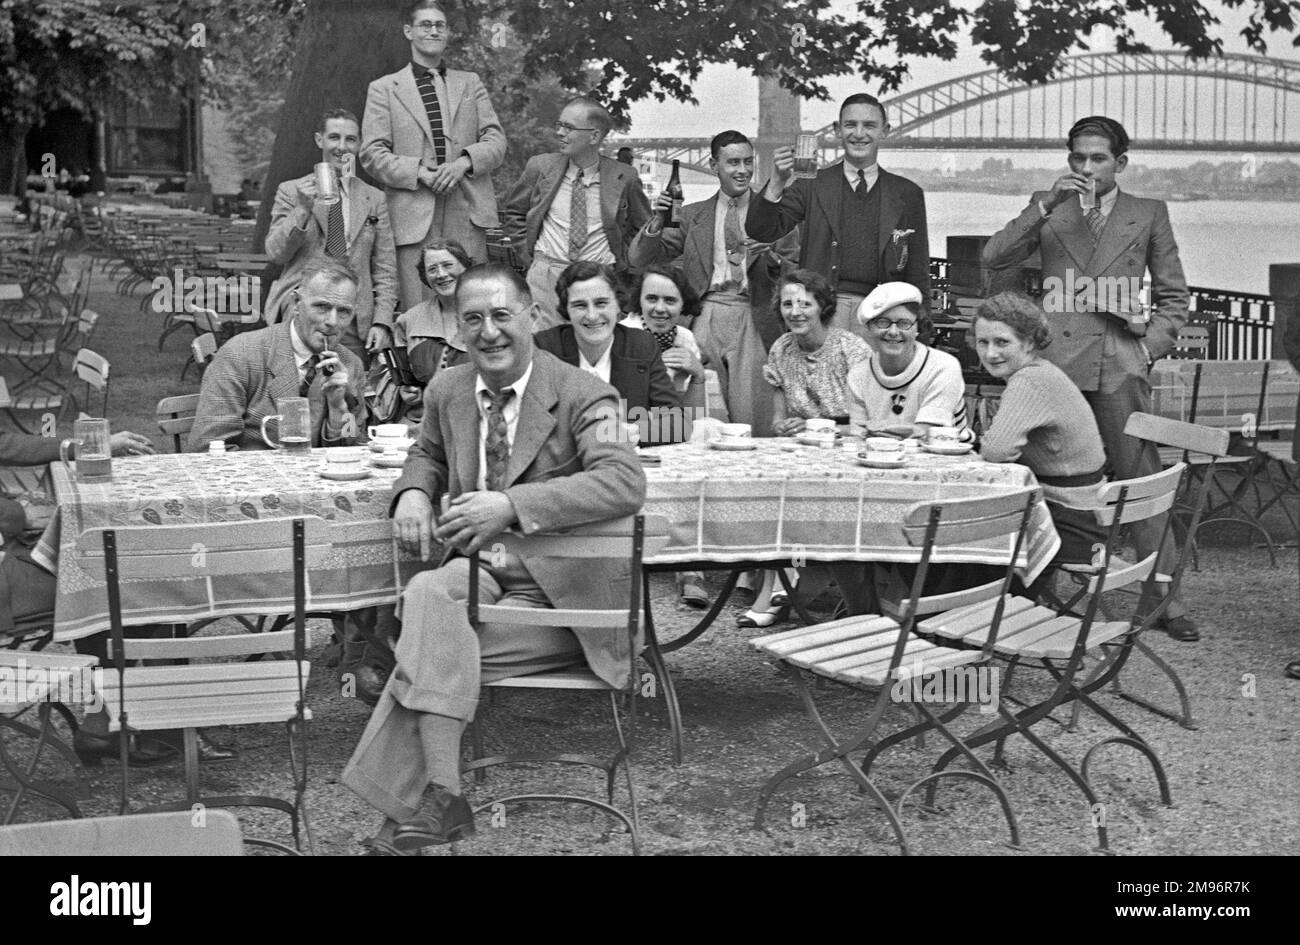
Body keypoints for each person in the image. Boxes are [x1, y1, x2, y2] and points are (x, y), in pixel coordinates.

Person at [340, 263, 646, 854]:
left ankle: (420, 808)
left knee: (426, 649)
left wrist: (509, 504)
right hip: (480, 572)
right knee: (429, 598)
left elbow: (623, 482)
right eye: (473, 319)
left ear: (532, 317)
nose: (489, 332)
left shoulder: (587, 394)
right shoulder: (448, 388)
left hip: (563, 599)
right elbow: (425, 452)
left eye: (502, 315)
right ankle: (445, 795)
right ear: (457, 327)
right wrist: (410, 491)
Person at [982, 116, 1196, 641]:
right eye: (1077, 158)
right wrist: (1046, 204)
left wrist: (1146, 349)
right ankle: (1027, 586)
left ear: (1119, 163)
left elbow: (1174, 296)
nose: (1086, 168)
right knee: (1034, 474)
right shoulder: (1050, 205)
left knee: (1139, 480)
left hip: (1119, 365)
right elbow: (993, 257)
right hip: (1053, 365)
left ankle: (1165, 599)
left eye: (1098, 158)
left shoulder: (1149, 213)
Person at [628, 130, 798, 434]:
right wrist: (656, 220)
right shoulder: (693, 215)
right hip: (705, 315)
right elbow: (641, 259)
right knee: (702, 408)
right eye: (733, 162)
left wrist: (772, 258)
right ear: (713, 165)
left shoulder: (777, 213)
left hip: (753, 315)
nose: (743, 170)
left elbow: (796, 273)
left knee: (754, 416)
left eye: (748, 162)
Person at [746, 93, 931, 339]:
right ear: (837, 130)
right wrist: (777, 182)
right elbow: (761, 230)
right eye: (851, 125)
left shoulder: (908, 194)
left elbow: (917, 269)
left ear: (885, 131)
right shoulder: (812, 185)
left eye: (869, 126)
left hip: (883, 315)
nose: (859, 133)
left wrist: (923, 326)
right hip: (821, 313)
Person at [361, 0, 507, 311]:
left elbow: (496, 141)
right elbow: (372, 153)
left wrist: (463, 164)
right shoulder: (384, 89)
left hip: (466, 209)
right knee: (418, 307)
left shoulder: (470, 83)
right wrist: (421, 173)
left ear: (448, 33)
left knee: (472, 302)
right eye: (425, 25)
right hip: (412, 213)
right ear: (408, 31)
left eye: (440, 25)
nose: (433, 31)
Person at [974, 293, 1109, 582]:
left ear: (1030, 342)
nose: (990, 354)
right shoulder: (1042, 372)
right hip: (1091, 510)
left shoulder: (1028, 381)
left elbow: (996, 453)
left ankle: (975, 612)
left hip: (1072, 522)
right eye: (982, 342)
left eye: (1002, 342)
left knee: (966, 534)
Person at [264, 107, 398, 366]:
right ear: (319, 140)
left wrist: (382, 322)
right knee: (295, 392)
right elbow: (276, 254)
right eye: (334, 137)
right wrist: (302, 209)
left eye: (350, 139)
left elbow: (386, 269)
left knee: (349, 393)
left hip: (352, 316)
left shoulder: (374, 199)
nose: (342, 147)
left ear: (359, 144)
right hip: (302, 310)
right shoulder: (292, 191)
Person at [503, 96, 652, 327]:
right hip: (546, 278)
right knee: (543, 349)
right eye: (559, 125)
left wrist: (621, 264)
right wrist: (530, 258)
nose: (560, 133)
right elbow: (514, 213)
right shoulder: (540, 167)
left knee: (595, 347)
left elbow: (642, 228)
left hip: (599, 278)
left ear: (594, 136)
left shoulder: (625, 177)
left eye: (569, 127)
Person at [189, 258, 367, 451]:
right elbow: (208, 448)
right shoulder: (240, 355)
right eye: (322, 307)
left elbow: (355, 443)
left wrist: (339, 408)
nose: (332, 321)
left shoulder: (350, 364)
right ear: (296, 304)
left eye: (344, 311)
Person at [620, 264, 709, 607]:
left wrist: (697, 374)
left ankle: (690, 568)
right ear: (638, 301)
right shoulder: (621, 332)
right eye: (651, 298)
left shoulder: (685, 338)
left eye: (670, 300)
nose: (660, 308)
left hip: (667, 428)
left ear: (681, 304)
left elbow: (695, 416)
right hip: (622, 426)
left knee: (701, 434)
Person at [533, 261, 681, 447]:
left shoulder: (641, 345)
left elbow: (677, 423)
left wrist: (635, 432)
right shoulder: (545, 347)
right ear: (566, 312)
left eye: (601, 303)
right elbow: (530, 424)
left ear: (618, 305)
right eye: (580, 305)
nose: (592, 315)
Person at [847, 281, 970, 440]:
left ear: (918, 328)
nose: (892, 332)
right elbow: (859, 435)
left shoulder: (943, 367)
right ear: (869, 328)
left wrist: (877, 429)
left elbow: (927, 433)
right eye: (882, 322)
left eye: (904, 323)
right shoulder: (858, 375)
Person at [764, 269, 871, 437]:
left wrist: (813, 428)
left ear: (822, 307)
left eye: (805, 304)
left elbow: (870, 425)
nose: (795, 312)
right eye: (787, 304)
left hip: (846, 444)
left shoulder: (851, 348)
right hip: (800, 443)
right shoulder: (781, 349)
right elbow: (778, 419)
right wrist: (780, 426)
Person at [391, 238, 473, 426]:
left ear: (465, 267)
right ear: (425, 277)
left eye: (447, 265)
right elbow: (402, 379)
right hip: (424, 421)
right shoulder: (409, 321)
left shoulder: (489, 315)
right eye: (432, 269)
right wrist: (406, 392)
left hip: (476, 418)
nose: (441, 274)